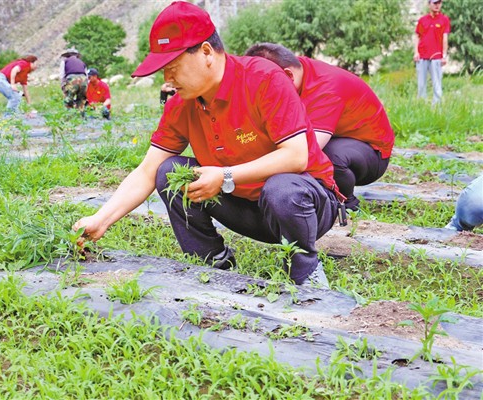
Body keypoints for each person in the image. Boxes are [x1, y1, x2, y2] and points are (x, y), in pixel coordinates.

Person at [73, 1, 345, 288]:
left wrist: (225, 175)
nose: (168, 80)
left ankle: (306, 272)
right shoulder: (182, 104)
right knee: (168, 172)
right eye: (163, 71)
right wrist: (101, 219)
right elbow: (146, 171)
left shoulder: (263, 79)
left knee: (281, 187)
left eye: (173, 67)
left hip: (304, 206)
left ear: (206, 52)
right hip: (244, 204)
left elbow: (296, 156)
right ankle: (214, 265)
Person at [244, 43, 395, 211]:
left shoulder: (325, 88)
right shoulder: (293, 72)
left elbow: (306, 151)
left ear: (288, 75)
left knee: (323, 156)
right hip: (337, 137)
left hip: (372, 152)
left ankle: (346, 202)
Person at [414, 0, 451, 105]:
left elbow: (445, 38)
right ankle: (421, 106)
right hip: (422, 57)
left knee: (437, 84)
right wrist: (416, 52)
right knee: (421, 84)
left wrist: (444, 55)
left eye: (439, 3)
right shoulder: (422, 20)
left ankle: (437, 108)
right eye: (435, 3)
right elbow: (417, 36)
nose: (437, 5)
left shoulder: (444, 20)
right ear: (429, 4)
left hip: (436, 57)